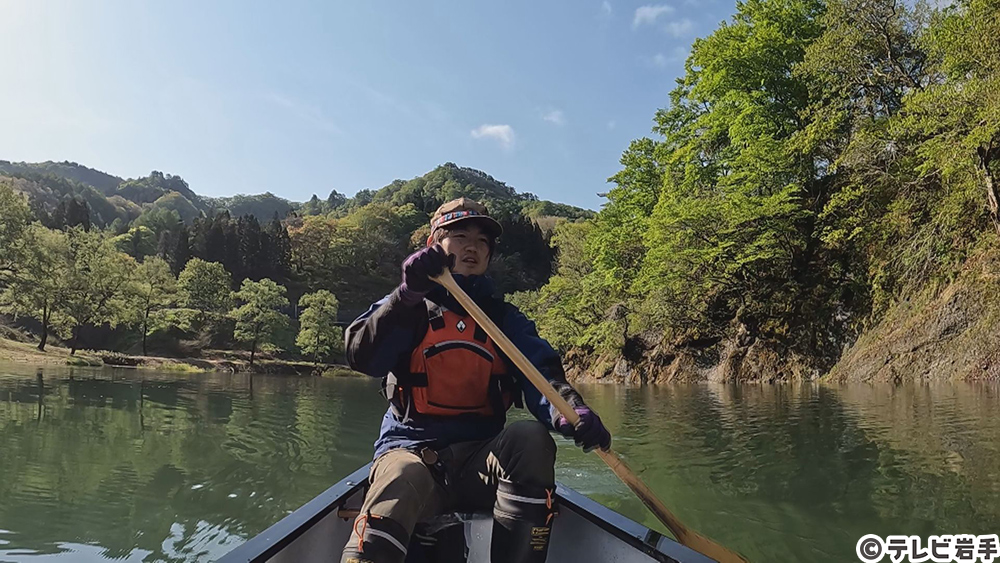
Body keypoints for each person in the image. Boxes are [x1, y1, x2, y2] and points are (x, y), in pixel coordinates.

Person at [341, 198, 612, 563]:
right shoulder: (406, 306)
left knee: (531, 438)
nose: (472, 246)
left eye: (483, 241)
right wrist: (407, 295)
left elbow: (542, 377)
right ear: (433, 244)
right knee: (400, 474)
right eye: (459, 235)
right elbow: (363, 357)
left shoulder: (503, 318)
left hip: (482, 465)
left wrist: (571, 410)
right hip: (413, 452)